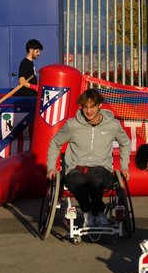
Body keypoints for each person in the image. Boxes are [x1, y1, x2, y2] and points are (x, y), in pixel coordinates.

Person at [45, 88, 132, 226]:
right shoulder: (72, 125)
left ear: (100, 106)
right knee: (75, 179)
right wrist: (50, 167)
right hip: (76, 168)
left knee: (94, 177)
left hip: (102, 169)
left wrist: (125, 166)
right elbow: (55, 143)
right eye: (85, 107)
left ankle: (98, 212)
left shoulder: (112, 125)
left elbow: (126, 143)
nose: (88, 111)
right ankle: (88, 212)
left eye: (92, 106)